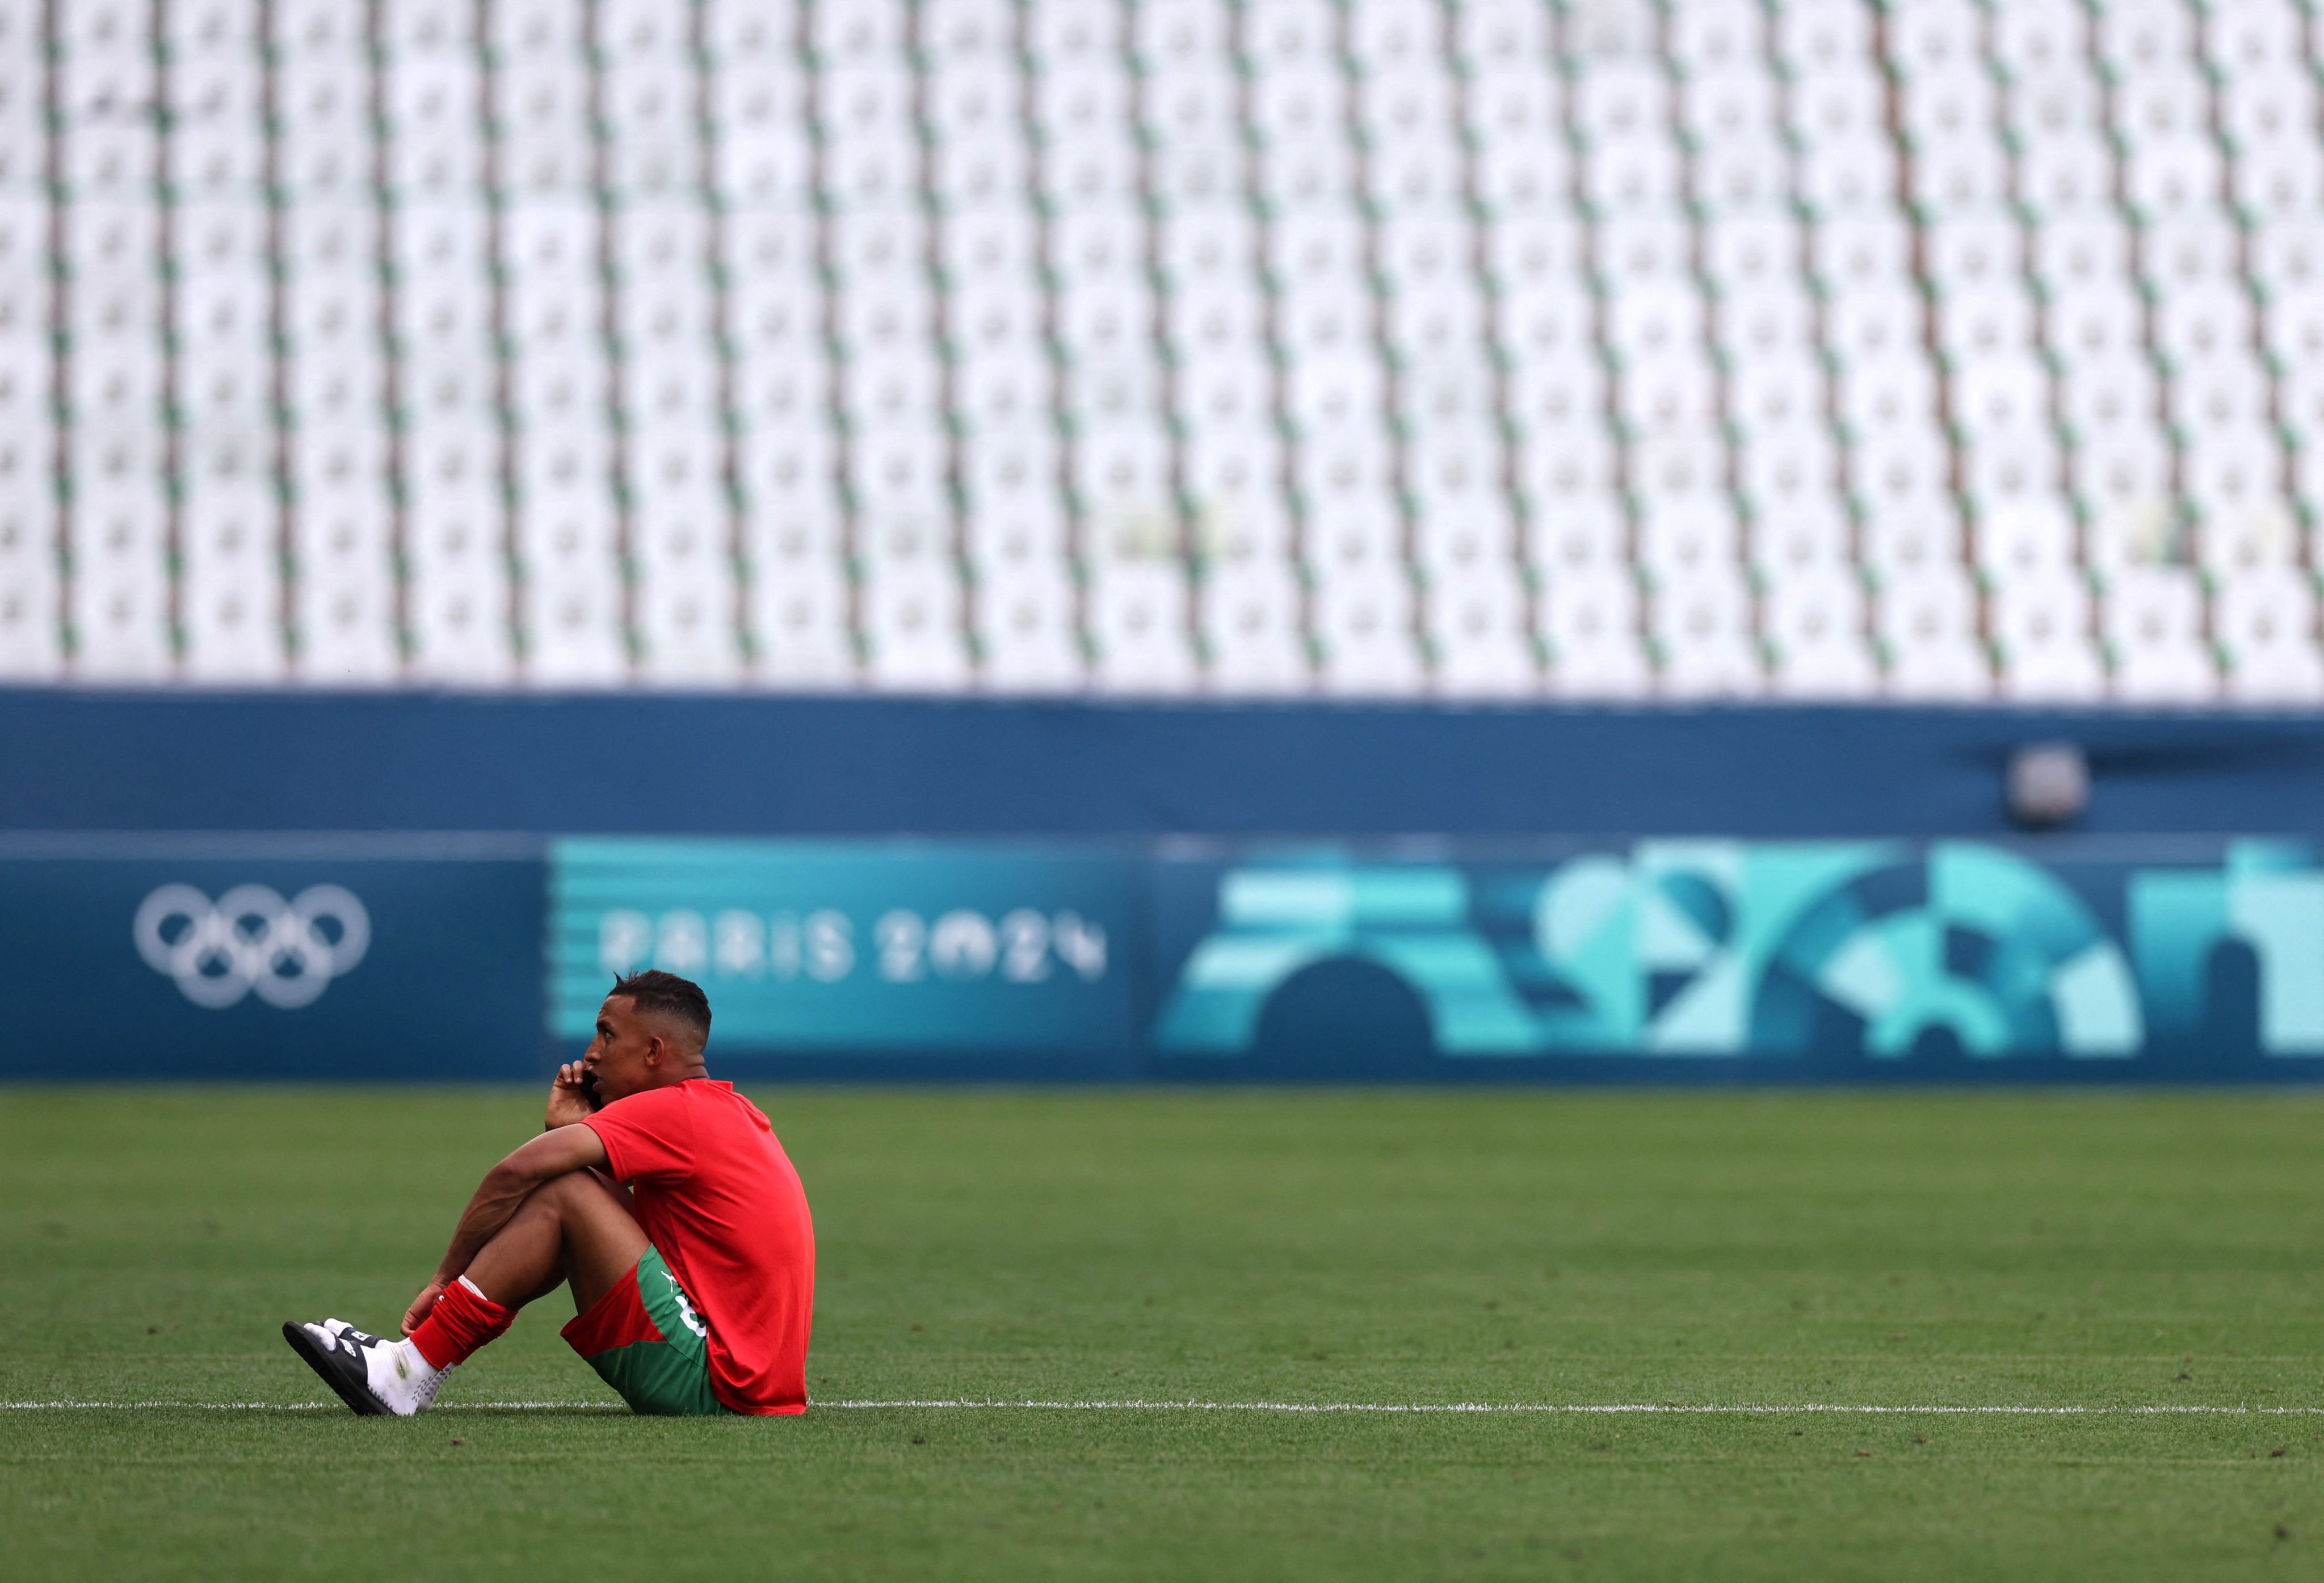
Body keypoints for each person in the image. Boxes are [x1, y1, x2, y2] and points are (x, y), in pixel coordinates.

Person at [284, 970, 815, 1417]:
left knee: (563, 1189)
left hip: (722, 1384)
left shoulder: (674, 1109)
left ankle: (409, 1371)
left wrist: (443, 1282)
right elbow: (610, 1233)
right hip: (745, 1382)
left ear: (654, 1051)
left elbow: (512, 1174)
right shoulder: (726, 1109)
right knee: (574, 1191)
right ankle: (415, 1361)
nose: (591, 1053)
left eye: (607, 1035)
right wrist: (563, 1132)